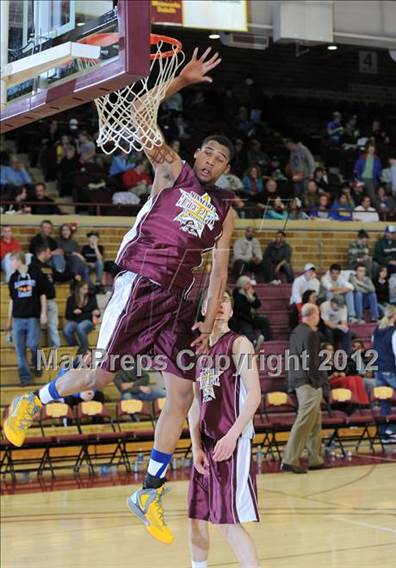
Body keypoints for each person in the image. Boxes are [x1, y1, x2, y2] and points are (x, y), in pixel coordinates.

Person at [4, 47, 234, 545]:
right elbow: (137, 112)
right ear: (198, 156)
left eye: (222, 159)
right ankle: (31, 400)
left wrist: (211, 313)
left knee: (181, 393)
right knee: (101, 373)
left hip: (180, 305)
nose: (213, 161)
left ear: (227, 169)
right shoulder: (175, 171)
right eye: (209, 153)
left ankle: (148, 491)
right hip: (142, 283)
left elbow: (220, 264)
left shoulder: (225, 209)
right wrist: (181, 82)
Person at [187, 290, 261, 568]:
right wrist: (195, 445)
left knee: (227, 522)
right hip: (205, 443)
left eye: (225, 301)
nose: (219, 306)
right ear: (204, 309)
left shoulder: (239, 343)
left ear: (231, 310)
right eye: (213, 302)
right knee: (196, 518)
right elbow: (194, 401)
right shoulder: (197, 348)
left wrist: (233, 436)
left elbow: (254, 395)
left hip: (230, 440)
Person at [281, 304, 327, 474]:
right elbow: (311, 361)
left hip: (298, 378)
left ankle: (315, 459)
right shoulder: (311, 333)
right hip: (308, 381)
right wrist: (317, 382)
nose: (319, 317)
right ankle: (289, 459)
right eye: (318, 313)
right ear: (314, 315)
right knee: (304, 421)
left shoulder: (296, 332)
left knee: (314, 421)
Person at [6, 252, 47, 385]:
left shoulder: (35, 273)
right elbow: (12, 299)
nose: (11, 264)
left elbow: (42, 295)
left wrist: (44, 313)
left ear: (18, 260)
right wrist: (9, 319)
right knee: (19, 350)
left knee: (33, 345)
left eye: (12, 261)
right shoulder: (13, 278)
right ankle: (25, 378)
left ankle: (37, 362)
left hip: (32, 317)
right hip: (18, 318)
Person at [372, 305, 396, 443]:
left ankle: (383, 434)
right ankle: (391, 429)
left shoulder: (376, 330)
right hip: (391, 370)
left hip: (379, 370)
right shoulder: (395, 332)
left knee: (385, 401)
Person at [30, 245, 60, 348]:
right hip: (37, 301)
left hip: (50, 300)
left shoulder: (48, 267)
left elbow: (59, 276)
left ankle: (56, 351)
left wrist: (73, 275)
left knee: (53, 327)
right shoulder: (33, 267)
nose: (50, 254)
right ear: (43, 253)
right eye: (48, 252)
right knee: (35, 328)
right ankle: (35, 353)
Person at [231, 275, 272, 347]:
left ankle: (265, 339)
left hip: (251, 317)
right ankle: (253, 342)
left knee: (264, 321)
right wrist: (250, 308)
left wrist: (253, 296)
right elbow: (241, 307)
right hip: (241, 318)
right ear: (242, 284)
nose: (250, 285)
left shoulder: (250, 292)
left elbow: (258, 305)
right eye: (248, 283)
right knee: (247, 328)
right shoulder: (237, 292)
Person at [63, 281, 99, 351]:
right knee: (66, 330)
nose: (86, 291)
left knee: (80, 327)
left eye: (87, 289)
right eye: (84, 289)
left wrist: (97, 312)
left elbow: (97, 311)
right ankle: (76, 347)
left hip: (88, 321)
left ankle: (85, 350)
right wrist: (73, 312)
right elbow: (67, 315)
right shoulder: (71, 299)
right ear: (78, 289)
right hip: (75, 320)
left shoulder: (91, 298)